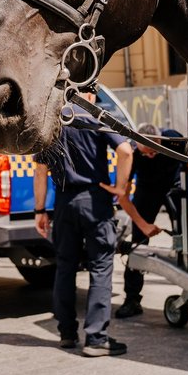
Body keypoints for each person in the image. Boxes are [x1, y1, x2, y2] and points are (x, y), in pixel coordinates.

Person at [33, 91, 151, 357]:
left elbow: (40, 172)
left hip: (63, 203)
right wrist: (121, 189)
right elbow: (124, 151)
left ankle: (66, 334)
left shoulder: (51, 123)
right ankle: (96, 338)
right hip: (95, 201)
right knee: (100, 267)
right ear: (88, 93)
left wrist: (40, 210)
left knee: (64, 268)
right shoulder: (95, 117)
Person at [110, 124, 188, 321]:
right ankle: (132, 299)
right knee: (138, 241)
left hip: (174, 188)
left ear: (159, 140)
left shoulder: (174, 139)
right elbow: (124, 193)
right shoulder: (134, 153)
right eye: (147, 153)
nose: (151, 155)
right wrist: (141, 222)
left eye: (154, 151)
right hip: (147, 191)